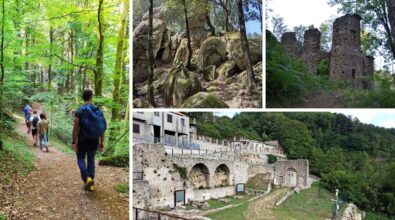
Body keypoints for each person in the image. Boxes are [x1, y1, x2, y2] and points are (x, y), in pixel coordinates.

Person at [72, 89, 106, 192]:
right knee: (91, 160)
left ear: (83, 97)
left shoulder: (79, 110)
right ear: (91, 97)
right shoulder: (98, 110)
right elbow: (102, 128)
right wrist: (101, 142)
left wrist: (74, 142)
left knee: (80, 158)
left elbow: (75, 128)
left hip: (82, 140)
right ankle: (90, 182)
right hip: (94, 140)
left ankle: (87, 179)